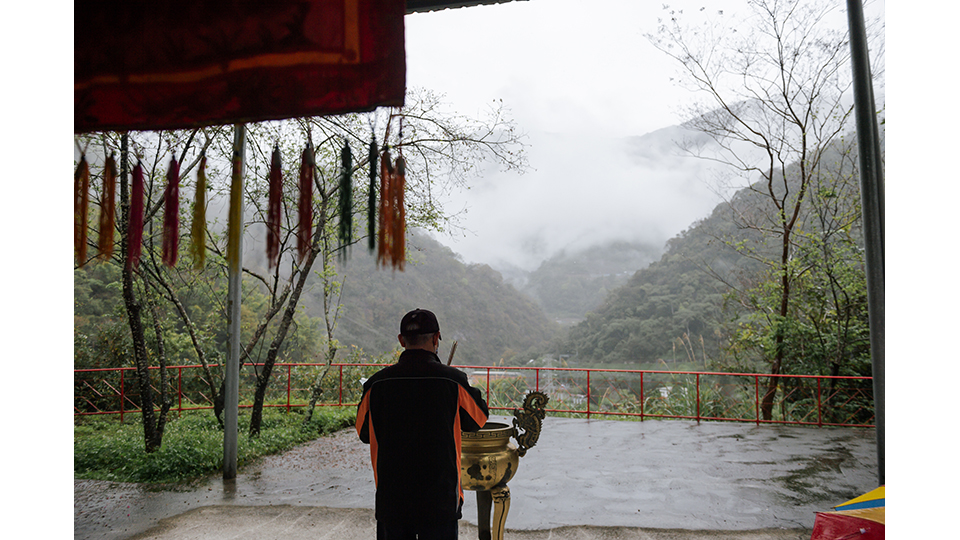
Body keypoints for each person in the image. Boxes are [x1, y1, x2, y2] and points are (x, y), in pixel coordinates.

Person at [356, 308, 489, 540]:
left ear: (401, 340)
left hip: (392, 499)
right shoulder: (452, 380)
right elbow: (478, 420)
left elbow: (364, 432)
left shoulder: (376, 385)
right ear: (436, 338)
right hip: (440, 497)